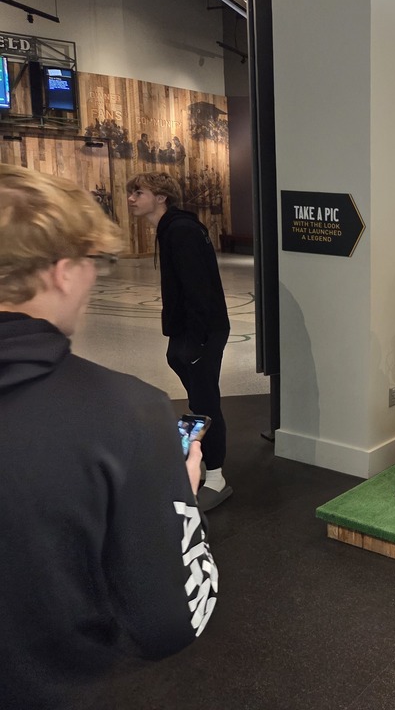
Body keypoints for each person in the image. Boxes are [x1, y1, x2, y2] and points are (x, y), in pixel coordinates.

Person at [0, 165, 217, 706]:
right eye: (93, 261)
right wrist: (180, 503)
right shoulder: (128, 414)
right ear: (63, 271)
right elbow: (175, 619)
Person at [127, 171, 232, 510]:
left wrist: (198, 342)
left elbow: (198, 291)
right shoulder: (172, 228)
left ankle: (216, 476)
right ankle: (199, 461)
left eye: (138, 192)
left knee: (205, 402)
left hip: (201, 331)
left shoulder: (182, 231)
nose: (131, 198)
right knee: (198, 401)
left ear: (161, 197)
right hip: (187, 331)